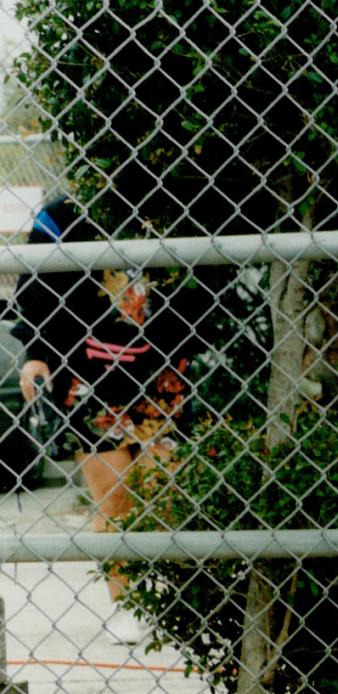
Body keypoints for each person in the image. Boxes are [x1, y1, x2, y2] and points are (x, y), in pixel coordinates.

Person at [13, 196, 209, 646]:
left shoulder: (176, 196)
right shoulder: (65, 211)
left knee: (164, 488)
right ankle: (127, 604)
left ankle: (172, 597)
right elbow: (35, 285)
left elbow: (202, 281)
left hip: (159, 371)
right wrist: (37, 356)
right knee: (114, 496)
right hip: (90, 375)